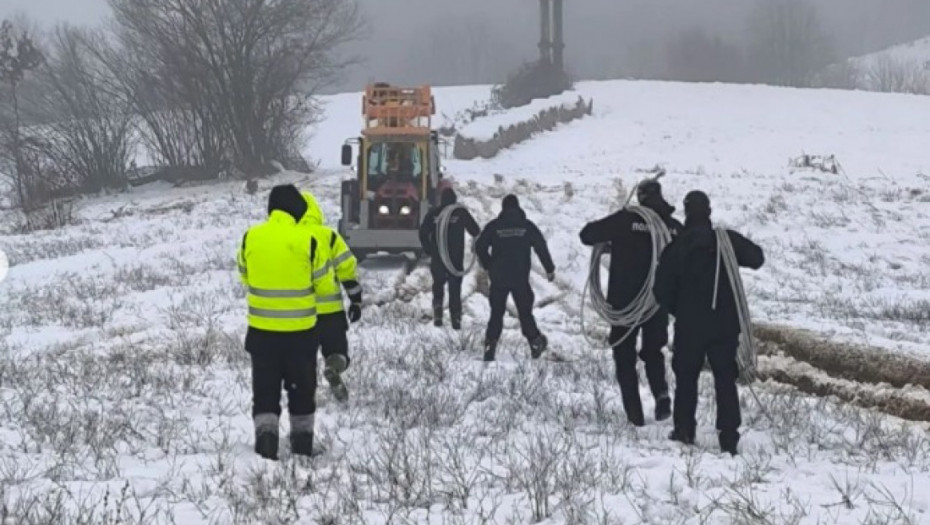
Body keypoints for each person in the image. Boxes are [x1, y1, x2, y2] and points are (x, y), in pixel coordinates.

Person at [653, 190, 764, 455]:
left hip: (690, 325)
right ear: (709, 212)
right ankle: (728, 438)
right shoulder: (726, 241)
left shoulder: (677, 247)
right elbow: (757, 258)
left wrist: (678, 309)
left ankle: (684, 429)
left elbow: (660, 290)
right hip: (724, 324)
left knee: (687, 377)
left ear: (686, 212)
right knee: (725, 378)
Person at [236, 184, 331, 460]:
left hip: (262, 335)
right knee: (302, 393)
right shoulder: (308, 240)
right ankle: (302, 447)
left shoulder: (250, 237)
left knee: (265, 392)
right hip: (300, 336)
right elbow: (324, 285)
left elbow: (245, 275)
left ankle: (266, 446)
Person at [579, 179, 682, 427]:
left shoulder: (625, 221)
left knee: (624, 355)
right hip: (658, 303)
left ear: (641, 197)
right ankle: (662, 395)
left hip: (624, 302)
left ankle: (634, 416)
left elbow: (587, 235)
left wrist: (617, 245)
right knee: (652, 352)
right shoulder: (673, 227)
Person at [299, 191, 363, 403]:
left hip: (298, 314)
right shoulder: (328, 236)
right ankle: (332, 367)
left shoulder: (285, 240)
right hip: (330, 314)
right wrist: (355, 300)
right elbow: (347, 268)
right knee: (337, 352)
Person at [475, 194, 555, 361]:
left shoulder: (494, 226)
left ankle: (490, 344)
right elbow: (540, 246)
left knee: (496, 313)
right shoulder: (527, 226)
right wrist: (549, 268)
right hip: (520, 278)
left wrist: (488, 264)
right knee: (525, 313)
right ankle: (535, 341)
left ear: (503, 208)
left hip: (499, 278)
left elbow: (480, 245)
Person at [419, 188, 480, 330]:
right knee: (455, 289)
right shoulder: (460, 213)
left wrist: (428, 249)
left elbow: (423, 232)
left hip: (438, 257)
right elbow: (475, 230)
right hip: (455, 259)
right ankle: (455, 318)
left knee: (438, 285)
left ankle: (438, 314)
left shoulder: (434, 213)